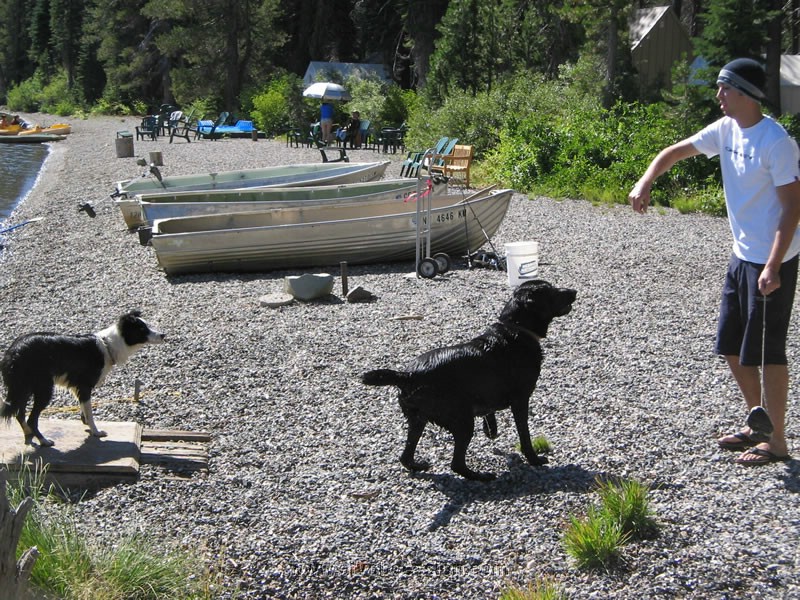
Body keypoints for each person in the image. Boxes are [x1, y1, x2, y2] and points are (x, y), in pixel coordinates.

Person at [628, 57, 800, 466]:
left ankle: (776, 444)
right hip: (742, 256)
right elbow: (675, 151)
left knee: (769, 353)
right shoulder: (725, 130)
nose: (719, 96)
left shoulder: (776, 143)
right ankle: (760, 423)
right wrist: (646, 180)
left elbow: (793, 210)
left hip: (773, 260)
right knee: (730, 346)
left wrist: (773, 266)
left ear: (746, 94)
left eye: (726, 89)